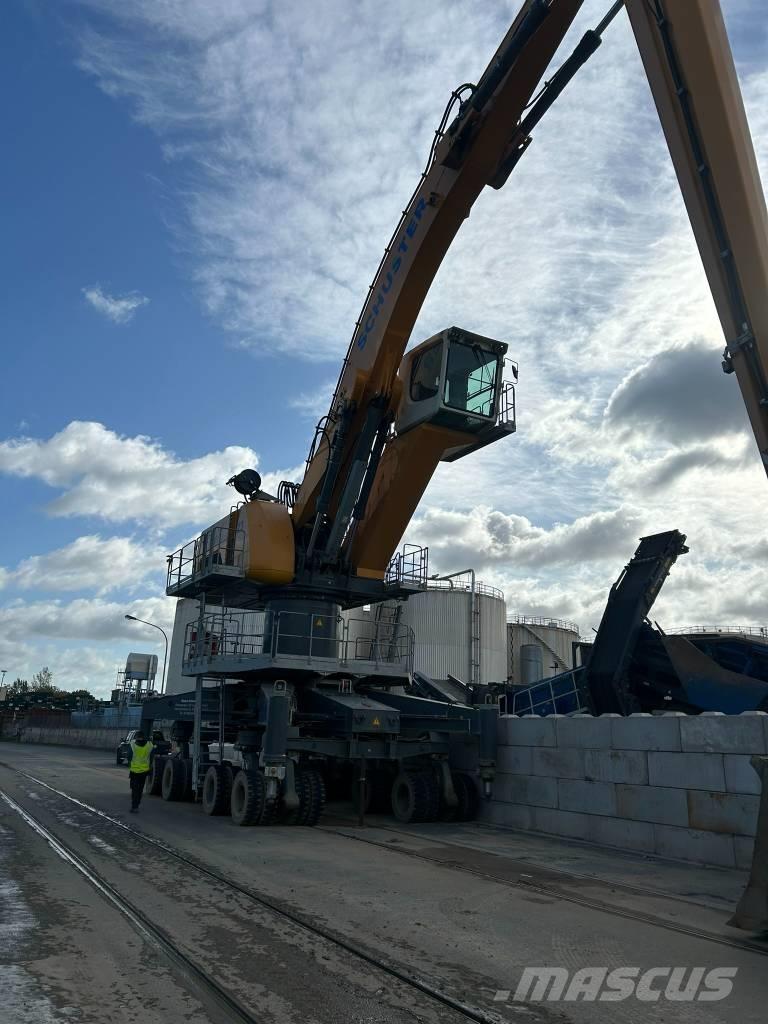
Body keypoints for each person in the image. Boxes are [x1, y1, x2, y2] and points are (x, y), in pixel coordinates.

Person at [128, 730, 154, 813]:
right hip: (144, 771)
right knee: (140, 789)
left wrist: (130, 764)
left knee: (134, 789)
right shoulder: (149, 745)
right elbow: (152, 757)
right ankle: (137, 805)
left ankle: (134, 806)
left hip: (134, 771)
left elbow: (129, 756)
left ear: (136, 737)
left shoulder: (132, 744)